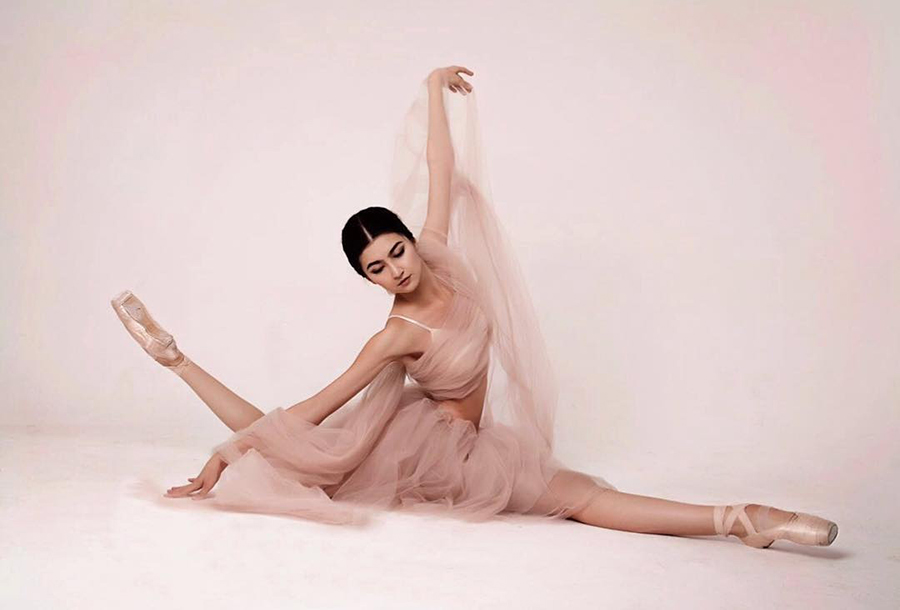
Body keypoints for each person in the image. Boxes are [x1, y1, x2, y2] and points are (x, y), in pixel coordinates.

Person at [111, 65, 838, 547]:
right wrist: (228, 452)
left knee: (312, 450)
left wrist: (432, 86)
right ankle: (742, 519)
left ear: (408, 241)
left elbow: (441, 168)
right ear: (368, 279)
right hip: (445, 452)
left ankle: (175, 360)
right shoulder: (395, 335)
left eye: (395, 251)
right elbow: (313, 407)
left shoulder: (441, 256)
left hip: (440, 433)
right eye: (376, 268)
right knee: (573, 498)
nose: (395, 269)